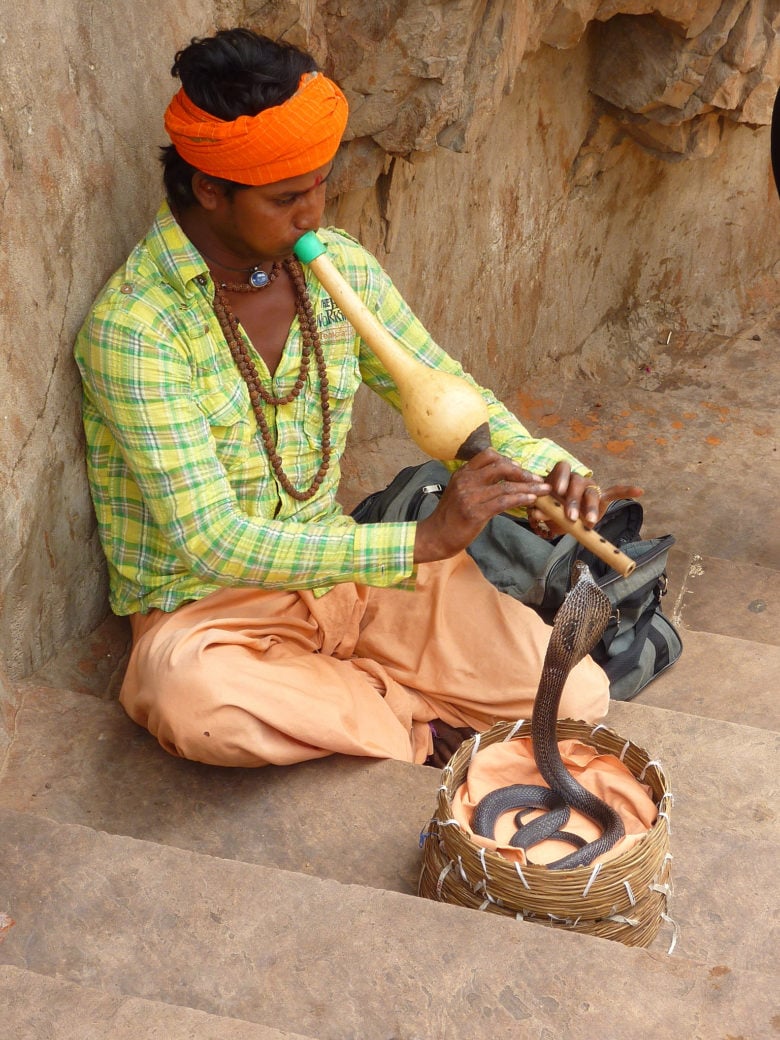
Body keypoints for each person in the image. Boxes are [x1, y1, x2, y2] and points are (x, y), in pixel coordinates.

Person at [74, 28, 641, 770]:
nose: (313, 214)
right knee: (192, 700)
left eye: (319, 185)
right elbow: (211, 538)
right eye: (286, 198)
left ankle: (368, 714)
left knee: (577, 698)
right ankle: (401, 711)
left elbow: (454, 393)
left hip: (357, 581)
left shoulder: (339, 269)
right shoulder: (135, 329)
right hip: (219, 618)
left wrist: (543, 471)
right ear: (209, 189)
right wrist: (422, 543)